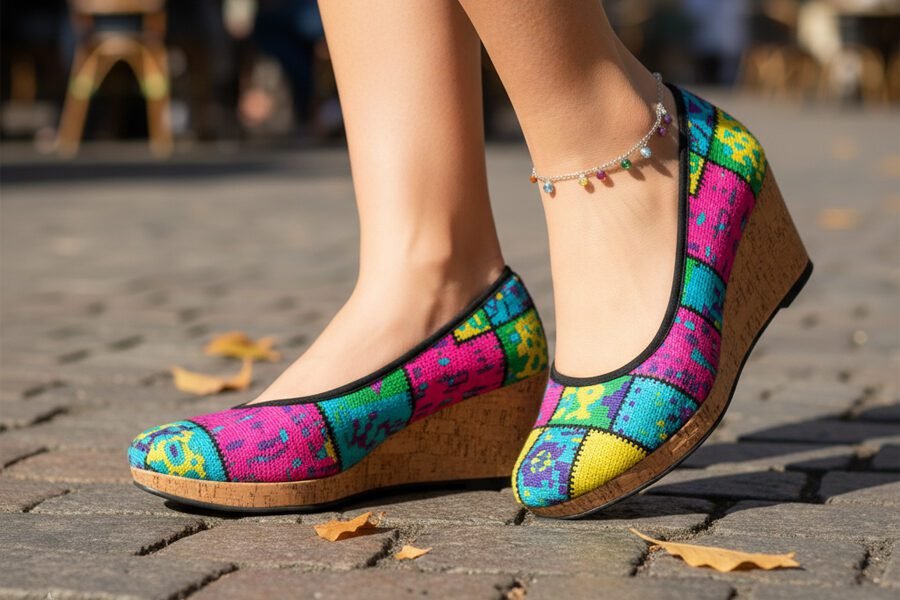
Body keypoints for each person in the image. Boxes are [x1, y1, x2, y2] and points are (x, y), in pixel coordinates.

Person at [127, 1, 812, 518]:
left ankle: (619, 136)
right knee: (420, 242)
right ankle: (429, 271)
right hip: (444, 297)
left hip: (652, 154)